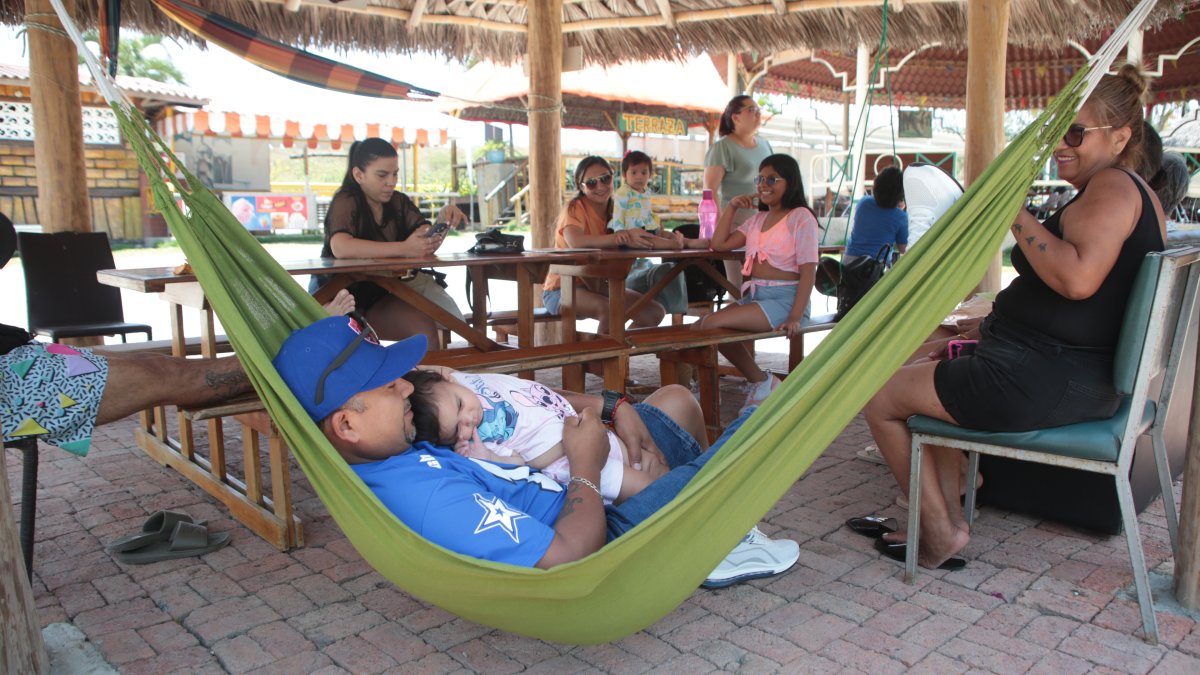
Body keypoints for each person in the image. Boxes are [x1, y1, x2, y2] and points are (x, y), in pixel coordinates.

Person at [861, 65, 1166, 569]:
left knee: (877, 394)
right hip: (1061, 375)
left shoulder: (1111, 187)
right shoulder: (1128, 190)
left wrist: (1010, 209)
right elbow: (1084, 300)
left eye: (1075, 133)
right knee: (918, 371)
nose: (1060, 146)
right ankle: (955, 485)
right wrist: (987, 331)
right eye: (1057, 133)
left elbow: (1077, 279)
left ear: (1121, 137)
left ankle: (939, 531)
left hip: (1045, 382)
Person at [272, 314, 801, 585]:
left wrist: (614, 407)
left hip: (586, 475)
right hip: (612, 527)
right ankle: (716, 529)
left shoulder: (406, 442)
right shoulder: (426, 494)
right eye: (388, 387)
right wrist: (588, 463)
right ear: (345, 423)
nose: (406, 387)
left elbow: (530, 401)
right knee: (772, 421)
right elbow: (571, 554)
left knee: (673, 400)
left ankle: (721, 531)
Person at [403, 367, 667, 504]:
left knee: (656, 467)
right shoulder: (476, 443)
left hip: (587, 428)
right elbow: (517, 464)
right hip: (569, 464)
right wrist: (487, 456)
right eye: (457, 430)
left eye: (460, 406)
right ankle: (692, 535)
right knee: (648, 489)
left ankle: (693, 509)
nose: (468, 420)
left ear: (449, 381)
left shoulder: (460, 380)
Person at [313, 138, 466, 346]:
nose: (391, 182)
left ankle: (430, 379)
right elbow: (340, 247)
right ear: (358, 175)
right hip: (336, 297)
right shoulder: (346, 200)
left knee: (423, 328)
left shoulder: (399, 202)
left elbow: (422, 241)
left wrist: (442, 222)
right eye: (382, 175)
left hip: (381, 295)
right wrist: (405, 249)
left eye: (395, 174)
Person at [695, 154, 819, 408]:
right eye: (760, 179)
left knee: (711, 325)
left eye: (772, 179)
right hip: (755, 297)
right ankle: (755, 381)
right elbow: (719, 244)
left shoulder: (800, 217)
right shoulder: (757, 220)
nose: (764, 184)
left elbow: (809, 270)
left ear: (790, 182)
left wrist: (795, 316)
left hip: (786, 301)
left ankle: (761, 381)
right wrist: (731, 207)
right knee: (701, 327)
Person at [541, 157, 666, 334]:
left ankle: (615, 348)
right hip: (562, 289)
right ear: (580, 185)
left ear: (613, 178)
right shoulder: (575, 207)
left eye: (605, 179)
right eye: (591, 183)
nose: (600, 186)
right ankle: (603, 359)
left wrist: (677, 241)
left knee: (653, 312)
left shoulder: (618, 210)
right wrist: (619, 238)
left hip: (600, 286)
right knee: (609, 310)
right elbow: (576, 241)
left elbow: (641, 235)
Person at [611, 151, 707, 316]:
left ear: (650, 175)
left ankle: (687, 242)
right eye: (634, 172)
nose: (639, 176)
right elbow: (618, 213)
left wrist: (656, 223)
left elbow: (647, 212)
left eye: (644, 172)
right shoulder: (623, 193)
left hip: (646, 226)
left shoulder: (645, 192)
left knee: (663, 233)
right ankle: (674, 245)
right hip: (630, 233)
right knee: (652, 239)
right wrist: (619, 230)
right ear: (625, 175)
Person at [704, 96, 774, 288]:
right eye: (751, 110)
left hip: (765, 223)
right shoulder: (722, 148)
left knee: (764, 282)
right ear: (735, 117)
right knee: (738, 285)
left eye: (758, 110)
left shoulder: (765, 145)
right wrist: (718, 229)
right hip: (735, 222)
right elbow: (710, 191)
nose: (758, 113)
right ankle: (737, 315)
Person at [844, 166, 908, 261]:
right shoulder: (900, 217)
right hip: (875, 269)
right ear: (900, 194)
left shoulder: (863, 203)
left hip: (849, 263)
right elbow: (903, 249)